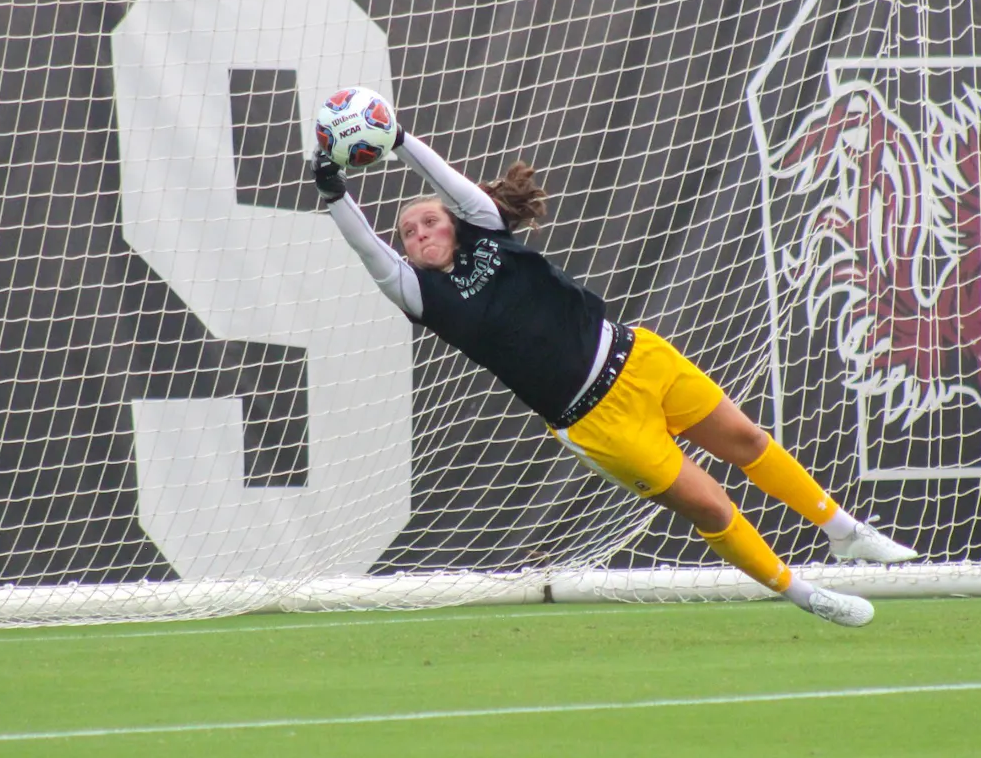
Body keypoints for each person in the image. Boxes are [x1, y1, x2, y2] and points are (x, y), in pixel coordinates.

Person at [313, 129, 918, 627]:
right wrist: (335, 194)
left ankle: (844, 530)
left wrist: (396, 139)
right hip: (598, 421)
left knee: (749, 442)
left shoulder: (488, 229)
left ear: (454, 223)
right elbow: (370, 250)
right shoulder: (420, 293)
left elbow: (449, 184)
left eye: (428, 222)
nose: (420, 235)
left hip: (639, 358)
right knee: (712, 507)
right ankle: (804, 595)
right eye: (410, 235)